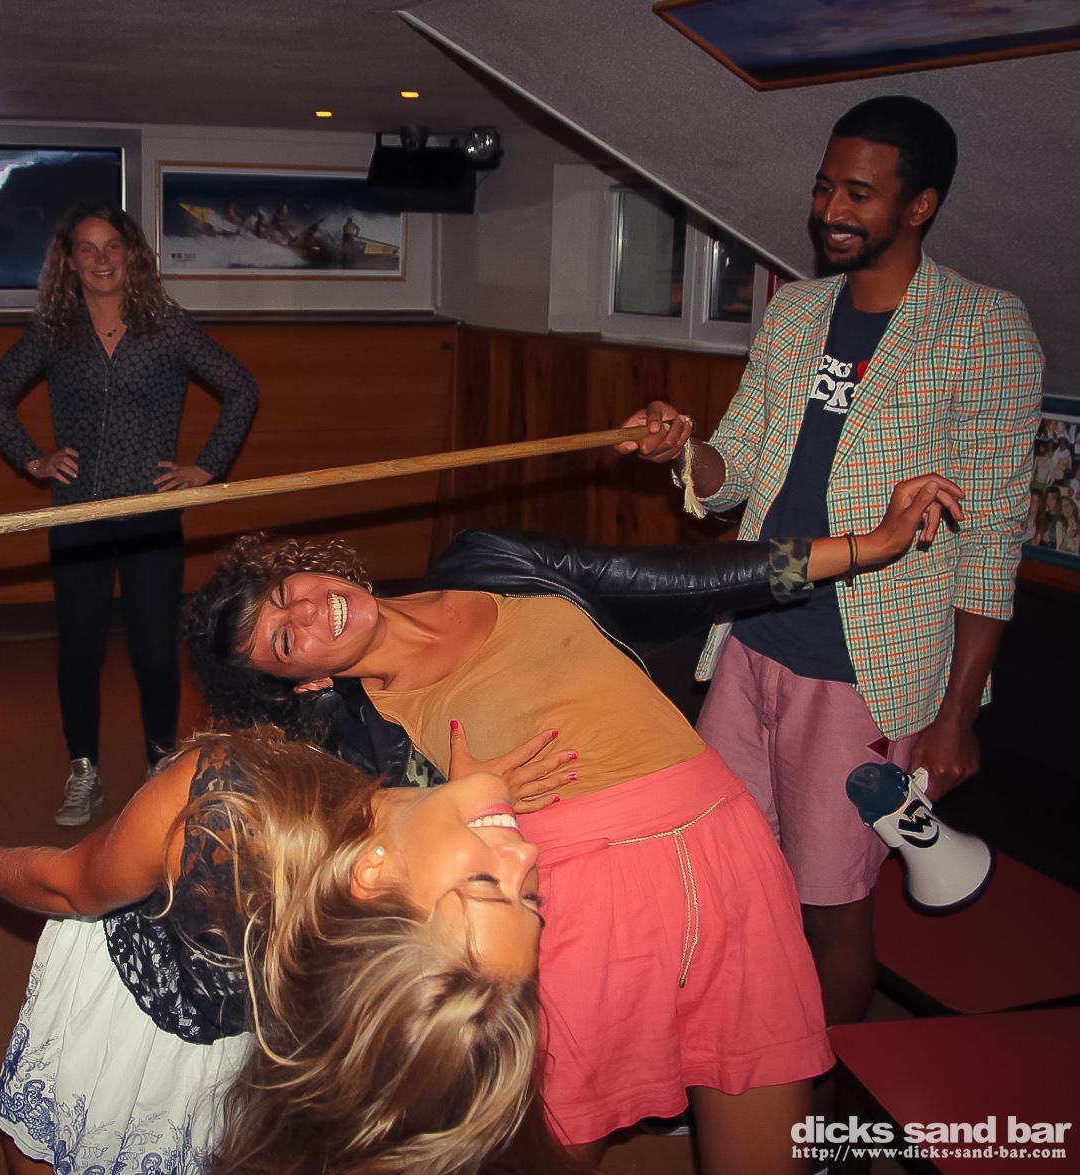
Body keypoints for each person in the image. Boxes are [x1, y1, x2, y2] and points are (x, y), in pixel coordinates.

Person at [182, 473, 959, 1168]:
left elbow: (672, 575)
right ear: (302, 681)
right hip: (577, 899)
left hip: (726, 844)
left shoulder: (487, 559)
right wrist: (456, 796)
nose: (306, 609)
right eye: (285, 637)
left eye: (285, 591)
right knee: (549, 1147)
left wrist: (866, 546)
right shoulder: (359, 733)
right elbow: (361, 866)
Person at [619, 96, 1043, 1029]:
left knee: (828, 906)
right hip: (749, 638)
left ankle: (823, 1090)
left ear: (919, 205)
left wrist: (955, 715)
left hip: (864, 669)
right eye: (822, 188)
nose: (829, 211)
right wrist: (683, 448)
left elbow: (990, 538)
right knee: (728, 870)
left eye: (858, 192)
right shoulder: (796, 310)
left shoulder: (982, 326)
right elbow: (732, 471)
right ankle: (745, 1057)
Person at [0, 728, 571, 1175]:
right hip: (246, 1055)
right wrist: (447, 807)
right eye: (531, 898)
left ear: (371, 876)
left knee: (50, 1140)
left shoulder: (225, 807)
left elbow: (66, 886)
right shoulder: (372, 925)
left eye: (486, 886)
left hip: (129, 1018)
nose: (527, 856)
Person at [0, 205, 258, 826]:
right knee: (79, 652)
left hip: (149, 515)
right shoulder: (56, 330)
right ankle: (84, 770)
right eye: (88, 248)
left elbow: (242, 387)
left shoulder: (167, 326)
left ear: (131, 255)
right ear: (70, 260)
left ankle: (161, 769)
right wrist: (34, 461)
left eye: (112, 246)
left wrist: (206, 467)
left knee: (155, 654)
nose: (101, 259)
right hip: (77, 516)